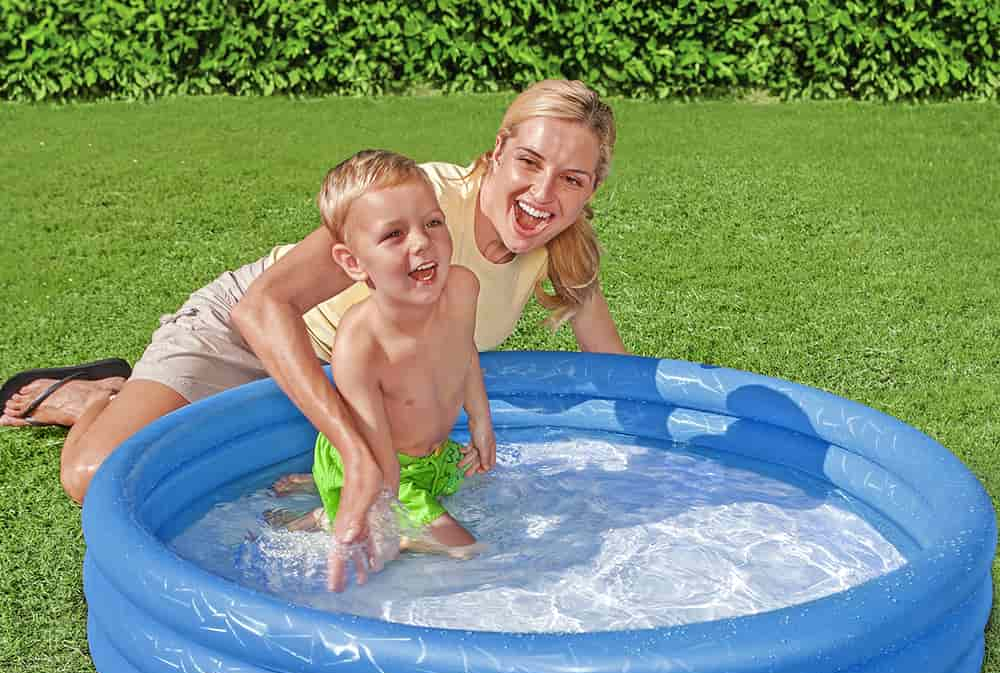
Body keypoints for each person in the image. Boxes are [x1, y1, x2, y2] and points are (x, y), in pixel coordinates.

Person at [1, 78, 626, 580]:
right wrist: (353, 451)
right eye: (529, 162)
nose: (543, 193)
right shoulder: (421, 201)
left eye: (571, 178)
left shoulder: (561, 250)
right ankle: (94, 396)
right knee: (95, 476)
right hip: (248, 336)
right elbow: (263, 307)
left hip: (353, 384)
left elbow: (616, 375)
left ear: (592, 188)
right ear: (498, 149)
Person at [269, 149, 493, 589]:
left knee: (463, 488)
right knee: (467, 551)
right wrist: (379, 518)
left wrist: (480, 420)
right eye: (394, 234)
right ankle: (330, 511)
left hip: (432, 456)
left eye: (433, 222)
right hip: (382, 464)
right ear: (353, 262)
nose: (422, 242)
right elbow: (378, 463)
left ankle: (325, 504)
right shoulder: (360, 344)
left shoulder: (462, 287)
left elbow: (464, 352)